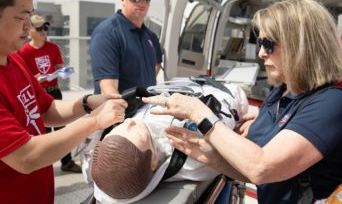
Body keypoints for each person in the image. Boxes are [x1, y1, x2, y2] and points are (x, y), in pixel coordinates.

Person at [143, 0, 342, 203]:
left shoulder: (331, 102)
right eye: (260, 42)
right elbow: (254, 173)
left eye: (268, 44)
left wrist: (198, 113)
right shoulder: (282, 92)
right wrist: (210, 155)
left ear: (300, 46)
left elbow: (262, 167)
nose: (261, 53)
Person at [0, 0, 127, 204]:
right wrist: (95, 121)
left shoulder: (12, 58)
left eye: (31, 15)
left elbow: (46, 109)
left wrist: (89, 102)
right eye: (21, 17)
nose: (29, 28)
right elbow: (26, 157)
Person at [82, 79, 248, 203]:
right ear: (154, 161)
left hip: (173, 86)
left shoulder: (97, 166)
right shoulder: (189, 159)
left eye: (119, 129)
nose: (129, 122)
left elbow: (91, 151)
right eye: (134, 132)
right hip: (222, 93)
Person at [18, 14, 81, 173]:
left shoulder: (53, 48)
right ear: (30, 29)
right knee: (42, 132)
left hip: (54, 92)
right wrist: (34, 80)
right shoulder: (23, 52)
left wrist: (60, 73)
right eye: (39, 28)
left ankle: (67, 162)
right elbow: (21, 77)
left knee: (61, 129)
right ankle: (43, 166)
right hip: (37, 95)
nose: (43, 31)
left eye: (46, 28)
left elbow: (62, 69)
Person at [90, 0, 163, 96]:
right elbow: (108, 90)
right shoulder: (107, 34)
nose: (142, 2)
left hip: (146, 110)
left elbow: (157, 65)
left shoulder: (150, 36)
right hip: (121, 112)